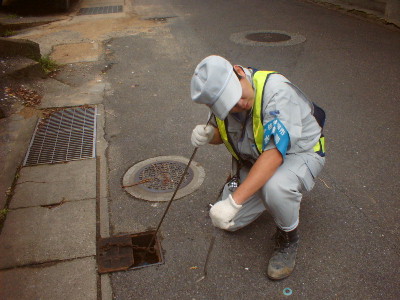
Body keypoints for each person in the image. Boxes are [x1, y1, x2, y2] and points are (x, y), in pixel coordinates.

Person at [190, 55, 326, 280]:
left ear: (239, 72)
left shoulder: (277, 92)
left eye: (238, 97)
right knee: (229, 223)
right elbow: (223, 134)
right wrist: (208, 135)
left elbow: (274, 154)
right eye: (230, 106)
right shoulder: (221, 102)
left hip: (299, 154)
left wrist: (235, 201)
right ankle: (260, 190)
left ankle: (288, 238)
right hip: (258, 157)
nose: (240, 105)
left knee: (275, 186)